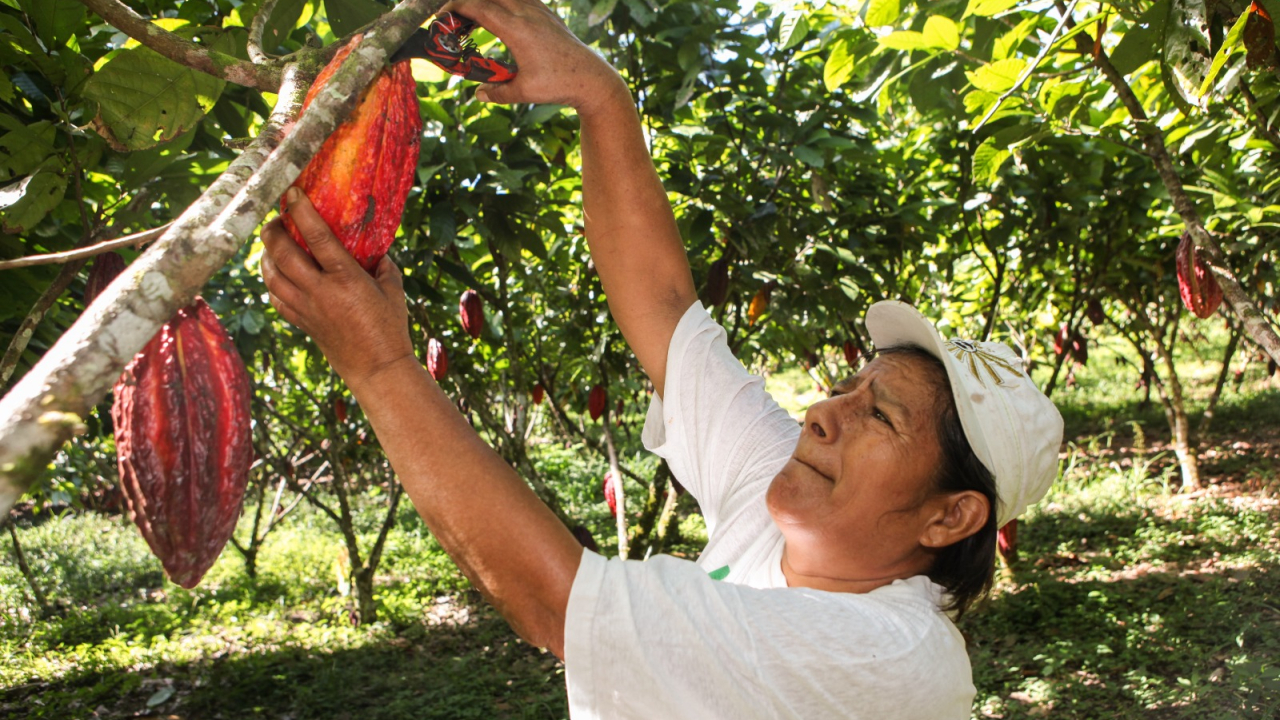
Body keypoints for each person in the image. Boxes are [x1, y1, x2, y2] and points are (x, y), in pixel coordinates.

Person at [259, 0, 1065, 716]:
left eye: (880, 416)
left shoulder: (892, 660)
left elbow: (551, 602)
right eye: (851, 386)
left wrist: (379, 367)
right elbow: (665, 310)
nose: (823, 413)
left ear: (950, 515)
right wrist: (600, 96)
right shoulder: (785, 507)